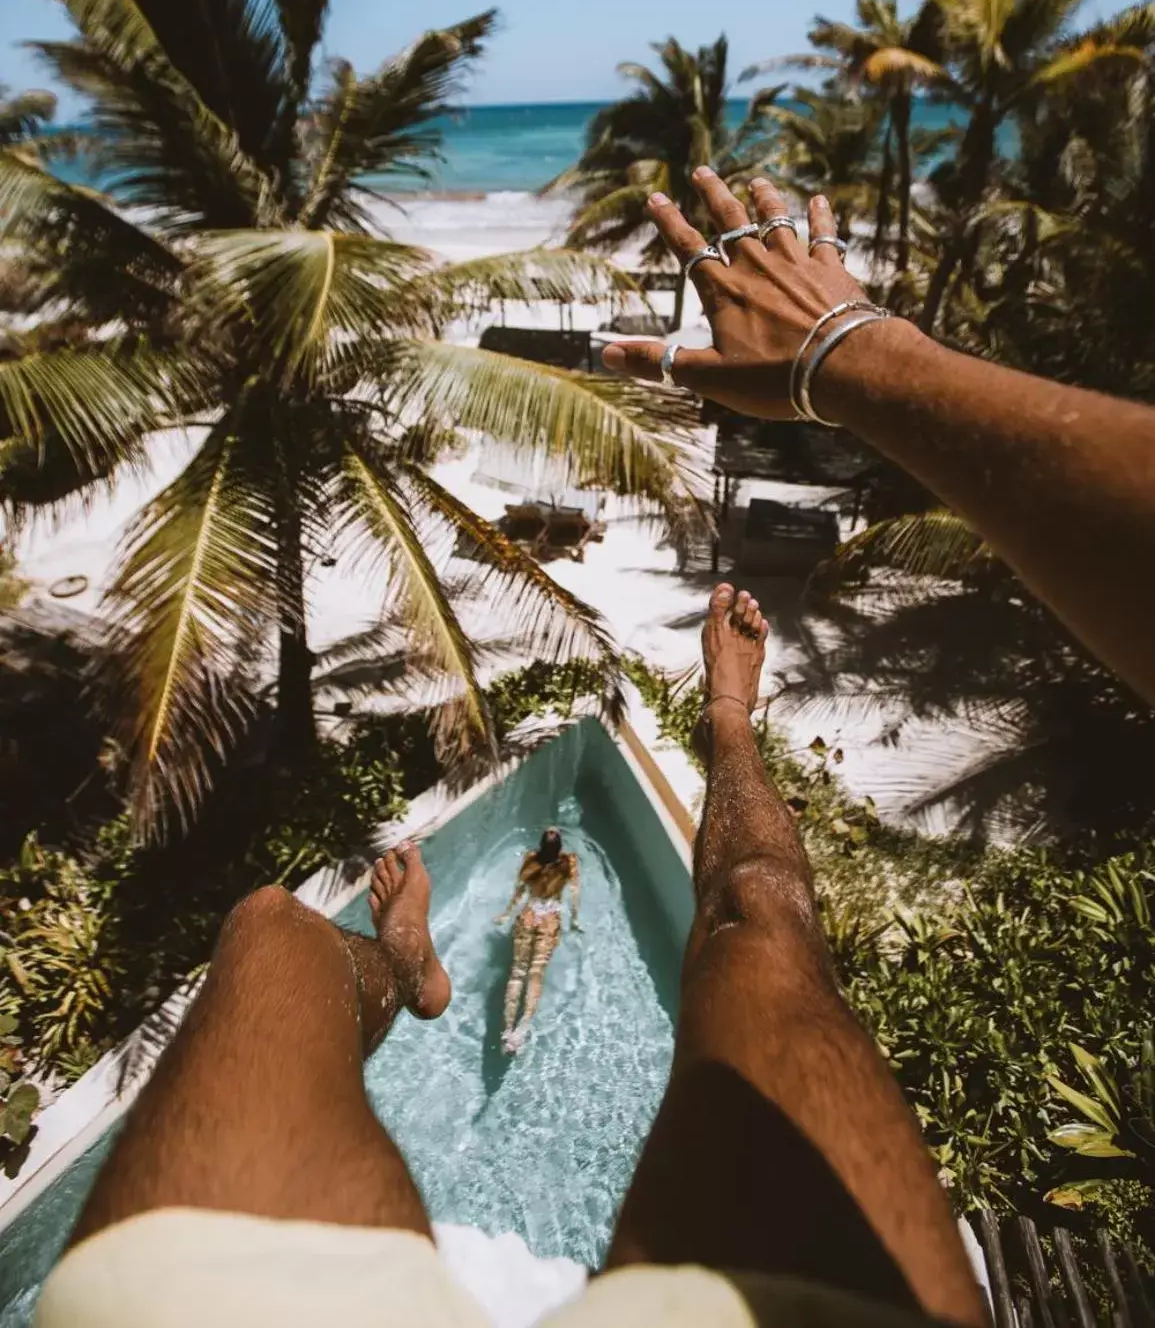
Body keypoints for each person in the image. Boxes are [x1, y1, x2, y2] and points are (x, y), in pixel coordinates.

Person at [36, 167, 1155, 1327]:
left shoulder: (544, 872)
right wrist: (852, 352)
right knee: (756, 915)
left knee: (271, 926)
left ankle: (401, 969)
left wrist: (848, 352)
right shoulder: (552, 874)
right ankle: (725, 726)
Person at [494, 825, 581, 1054]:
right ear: (560, 847)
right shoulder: (569, 863)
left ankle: (506, 1031)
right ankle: (521, 1030)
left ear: (540, 846)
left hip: (529, 915)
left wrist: (506, 913)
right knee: (536, 973)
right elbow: (574, 896)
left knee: (517, 973)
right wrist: (574, 921)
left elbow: (519, 890)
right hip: (550, 918)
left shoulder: (530, 859)